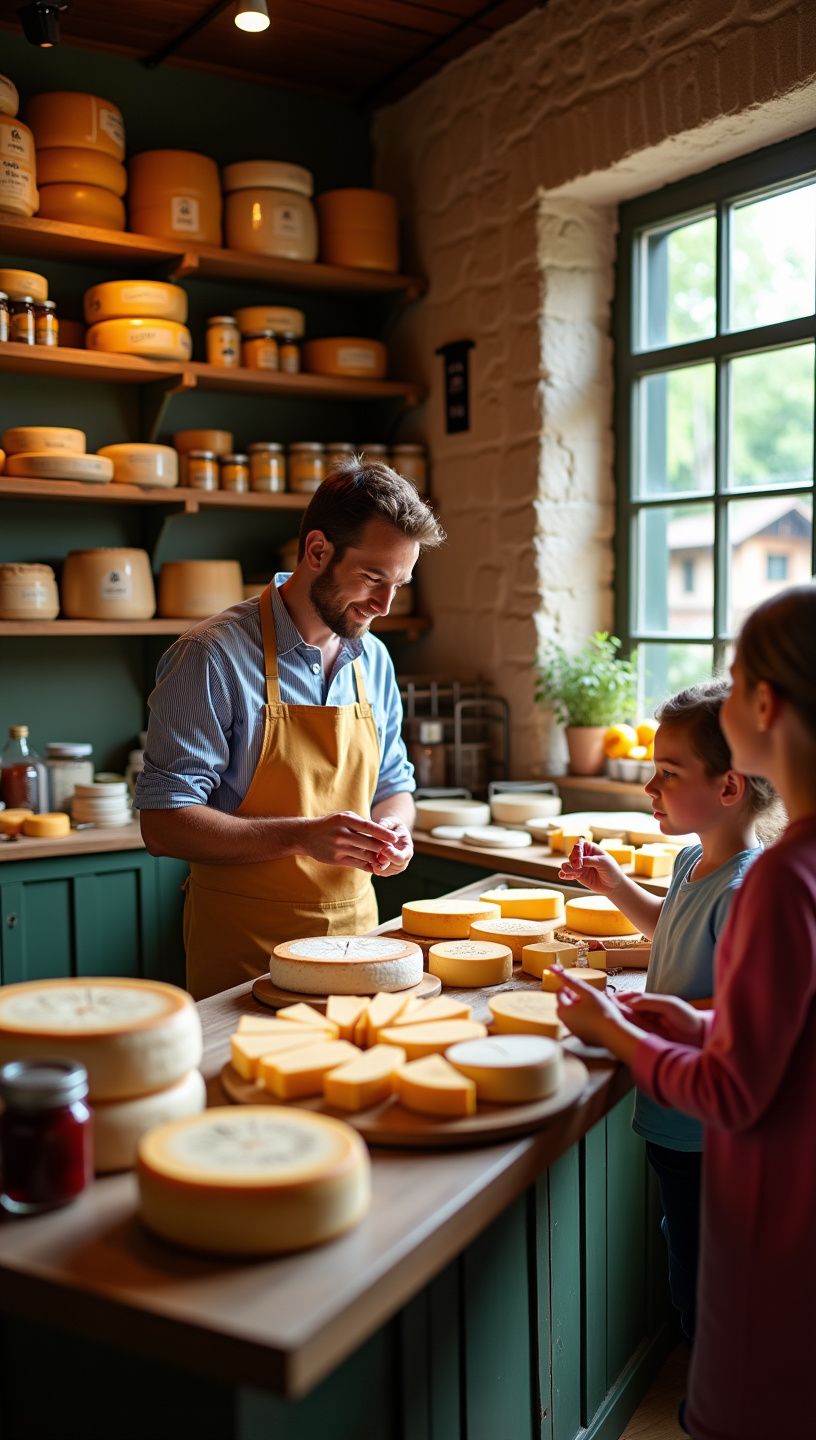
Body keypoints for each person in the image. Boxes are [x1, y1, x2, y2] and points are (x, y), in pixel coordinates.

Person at [554, 584, 816, 1440]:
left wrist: (623, 1031)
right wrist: (670, 1017)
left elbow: (740, 1080)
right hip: (757, 1172)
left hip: (744, 1168)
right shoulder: (775, 866)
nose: (654, 788)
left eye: (736, 678)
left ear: (764, 707)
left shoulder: (770, 880)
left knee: (723, 1337)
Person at [137, 460, 445, 1000]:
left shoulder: (373, 659)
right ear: (318, 551)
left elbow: (395, 785)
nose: (384, 606)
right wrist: (303, 835)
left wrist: (394, 831)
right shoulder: (211, 657)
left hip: (359, 944)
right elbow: (165, 825)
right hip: (246, 956)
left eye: (399, 584)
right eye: (373, 578)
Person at [558, 680, 776, 1343]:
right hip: (670, 1118)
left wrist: (625, 1019)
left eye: (667, 775)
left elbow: (740, 1008)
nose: (650, 789)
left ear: (729, 788)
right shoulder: (691, 859)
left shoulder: (745, 888)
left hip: (706, 1130)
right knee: (682, 1246)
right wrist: (614, 885)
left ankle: (707, 1390)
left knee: (704, 1274)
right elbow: (668, 927)